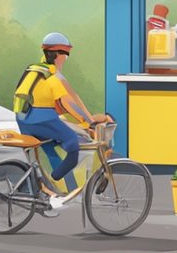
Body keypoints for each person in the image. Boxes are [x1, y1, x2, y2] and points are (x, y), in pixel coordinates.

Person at [12, 33, 106, 213]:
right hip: (41, 118)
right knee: (71, 143)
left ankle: (64, 192)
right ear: (59, 54)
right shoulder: (53, 77)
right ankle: (57, 178)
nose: (66, 58)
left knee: (51, 148)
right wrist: (88, 122)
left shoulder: (35, 70)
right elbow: (67, 103)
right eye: (66, 54)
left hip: (24, 118)